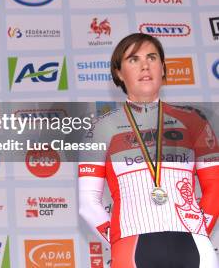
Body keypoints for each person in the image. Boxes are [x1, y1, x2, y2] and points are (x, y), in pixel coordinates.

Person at [78, 33, 219, 267]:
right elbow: (87, 202)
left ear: (163, 68)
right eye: (133, 59)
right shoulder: (100, 129)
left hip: (194, 245)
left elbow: (216, 186)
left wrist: (199, 230)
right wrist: (117, 238)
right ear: (119, 73)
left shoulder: (195, 121)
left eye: (152, 57)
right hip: (130, 245)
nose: (145, 65)